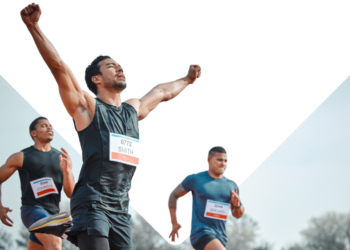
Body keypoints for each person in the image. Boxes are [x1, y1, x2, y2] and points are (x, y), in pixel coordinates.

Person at [20, 3, 201, 250]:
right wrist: (34, 27)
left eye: (120, 65)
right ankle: (71, 223)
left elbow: (161, 92)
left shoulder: (132, 109)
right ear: (96, 79)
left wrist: (187, 80)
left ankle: (66, 225)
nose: (119, 68)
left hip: (120, 209)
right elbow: (59, 67)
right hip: (92, 203)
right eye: (111, 66)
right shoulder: (87, 108)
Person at [0, 117, 75, 250]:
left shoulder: (61, 158)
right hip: (32, 210)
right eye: (44, 126)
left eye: (50, 126)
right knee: (55, 245)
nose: (49, 128)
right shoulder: (21, 157)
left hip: (53, 215)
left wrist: (67, 171)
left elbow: (70, 193)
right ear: (33, 133)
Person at [168, 146, 244, 250]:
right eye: (219, 160)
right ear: (209, 160)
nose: (223, 163)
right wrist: (174, 222)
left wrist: (237, 205)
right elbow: (174, 195)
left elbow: (237, 214)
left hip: (220, 237)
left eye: (226, 161)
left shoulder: (231, 186)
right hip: (201, 233)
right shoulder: (195, 179)